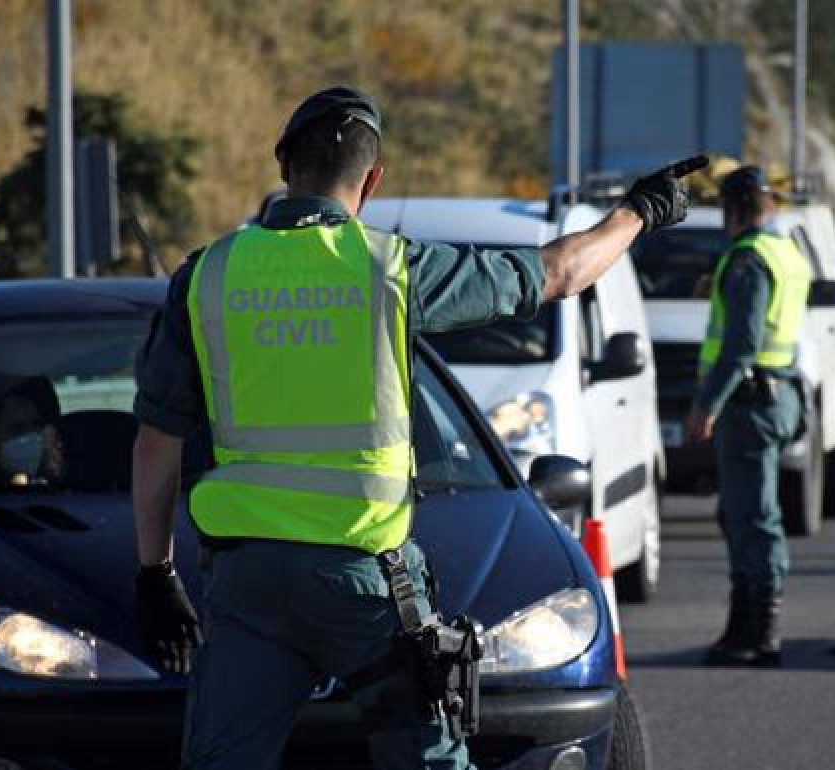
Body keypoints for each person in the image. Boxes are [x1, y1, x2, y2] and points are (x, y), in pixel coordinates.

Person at [130, 85, 703, 769]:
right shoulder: (390, 268)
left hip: (248, 582)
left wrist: (154, 574)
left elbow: (156, 441)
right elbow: (560, 272)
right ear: (373, 182)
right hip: (364, 584)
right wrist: (638, 212)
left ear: (282, 163)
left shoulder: (207, 276)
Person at [684, 165, 811, 668]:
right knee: (746, 513)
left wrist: (706, 405)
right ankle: (746, 627)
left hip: (749, 404)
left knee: (753, 517)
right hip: (779, 396)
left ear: (735, 208)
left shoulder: (748, 260)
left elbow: (740, 346)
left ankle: (758, 633)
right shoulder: (784, 251)